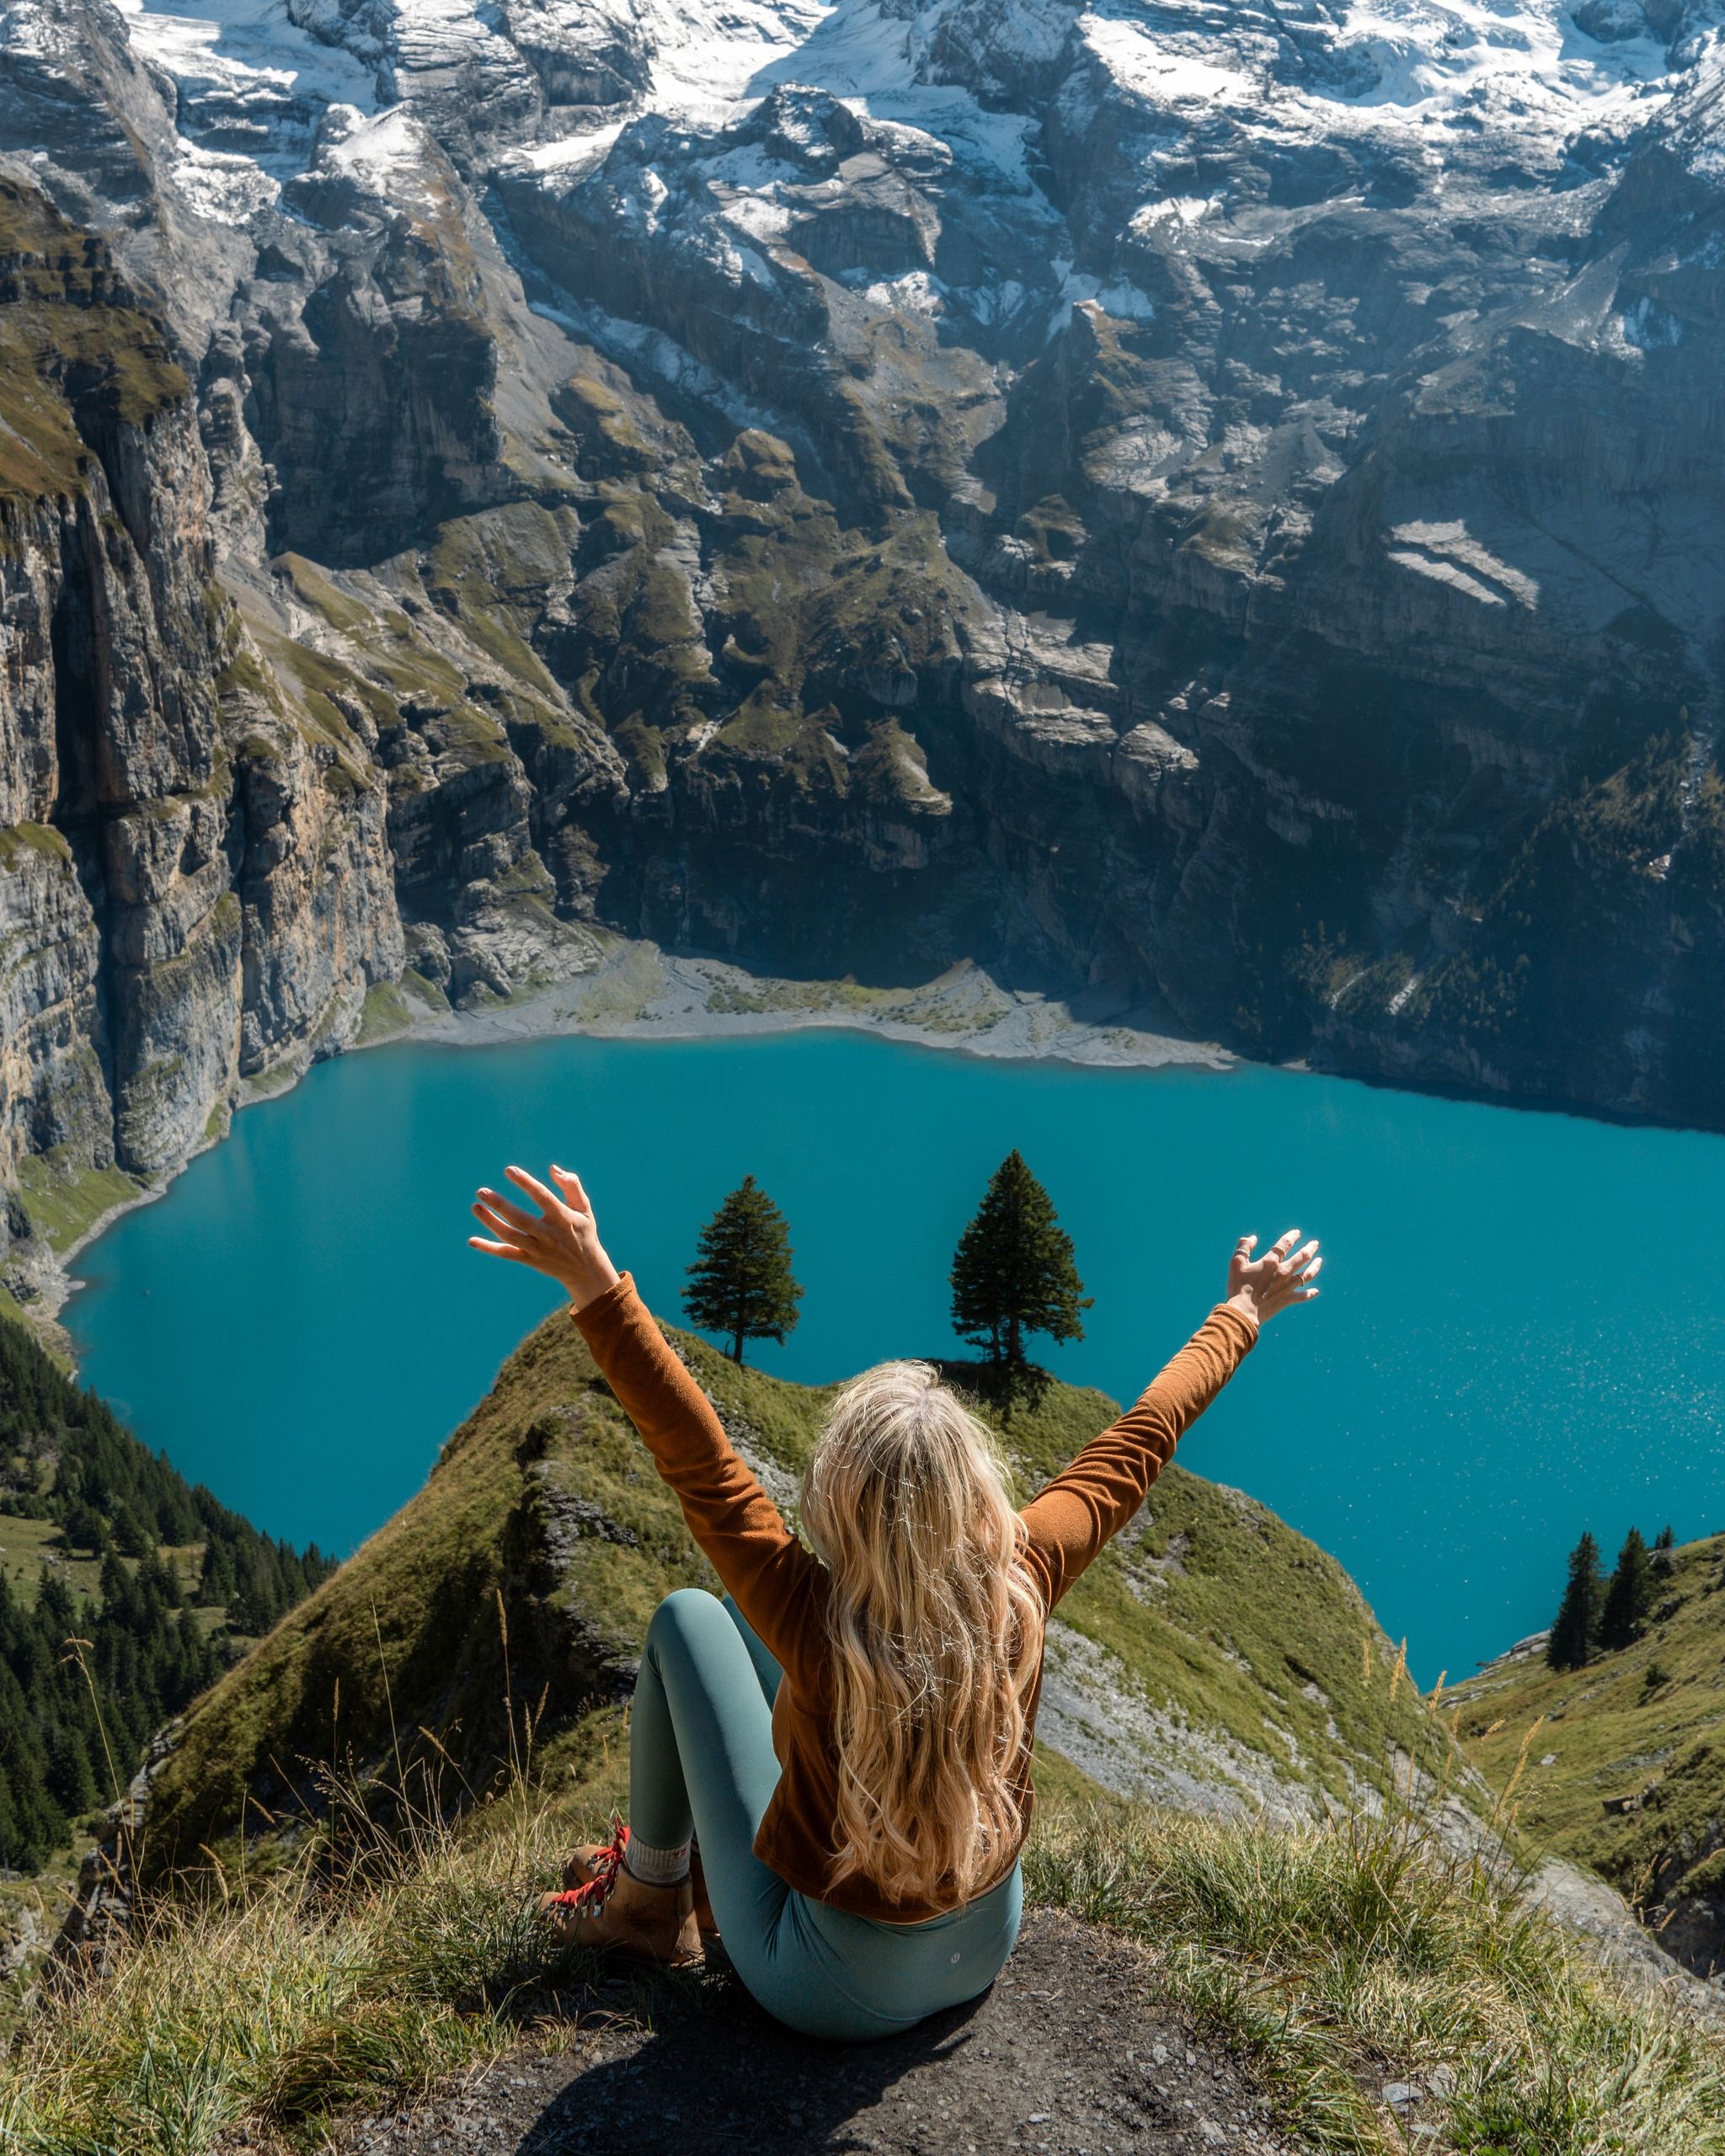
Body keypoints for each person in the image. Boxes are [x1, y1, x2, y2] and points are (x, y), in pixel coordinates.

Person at [470, 1161, 1320, 2041]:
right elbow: (1141, 1437)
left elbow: (702, 1463)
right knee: (741, 1625)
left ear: (837, 1498)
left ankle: (649, 1900)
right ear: (973, 1490)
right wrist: (1241, 1311)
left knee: (688, 1618)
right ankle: (684, 1890)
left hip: (825, 1986)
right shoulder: (1024, 1574)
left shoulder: (812, 1611)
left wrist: (595, 1283)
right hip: (984, 1939)